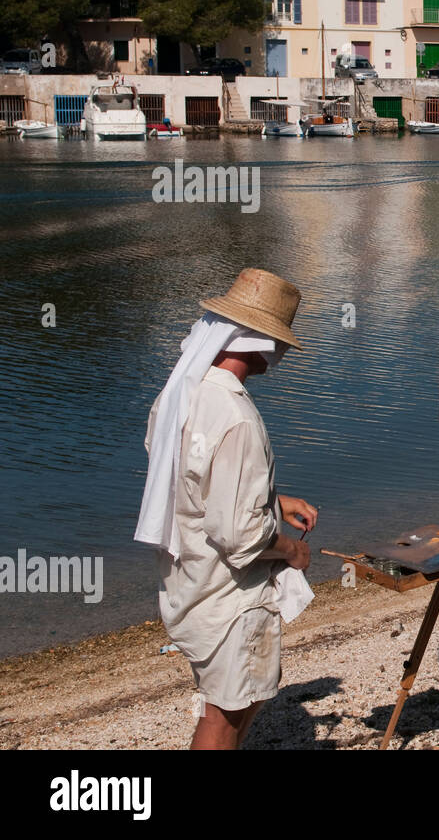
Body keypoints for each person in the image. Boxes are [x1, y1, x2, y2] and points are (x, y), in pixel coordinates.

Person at [135, 268, 317, 749]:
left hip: (186, 580)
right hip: (228, 596)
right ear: (257, 343)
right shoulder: (236, 417)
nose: (278, 356)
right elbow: (242, 536)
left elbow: (188, 480)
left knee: (229, 706)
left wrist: (275, 500)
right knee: (225, 717)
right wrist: (291, 553)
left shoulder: (177, 394)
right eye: (276, 343)